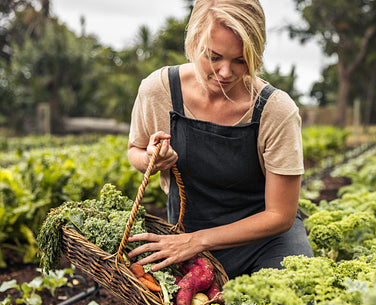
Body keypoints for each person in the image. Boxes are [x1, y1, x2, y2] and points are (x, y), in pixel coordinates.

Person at [127, 0, 313, 280]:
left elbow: (280, 215)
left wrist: (199, 241)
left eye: (240, 60)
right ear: (193, 44)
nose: (225, 72)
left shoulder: (275, 110)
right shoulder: (159, 90)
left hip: (265, 242)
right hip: (185, 239)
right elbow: (135, 150)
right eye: (213, 57)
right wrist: (152, 158)